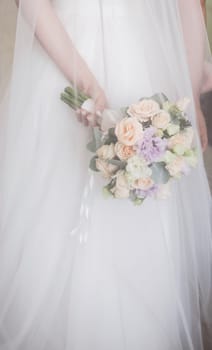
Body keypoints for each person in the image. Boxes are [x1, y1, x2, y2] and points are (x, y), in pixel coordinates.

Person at [0, 0, 211, 349]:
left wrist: (186, 106)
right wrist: (85, 85)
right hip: (65, 57)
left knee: (143, 221)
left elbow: (187, 6)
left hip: (147, 67)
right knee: (55, 215)